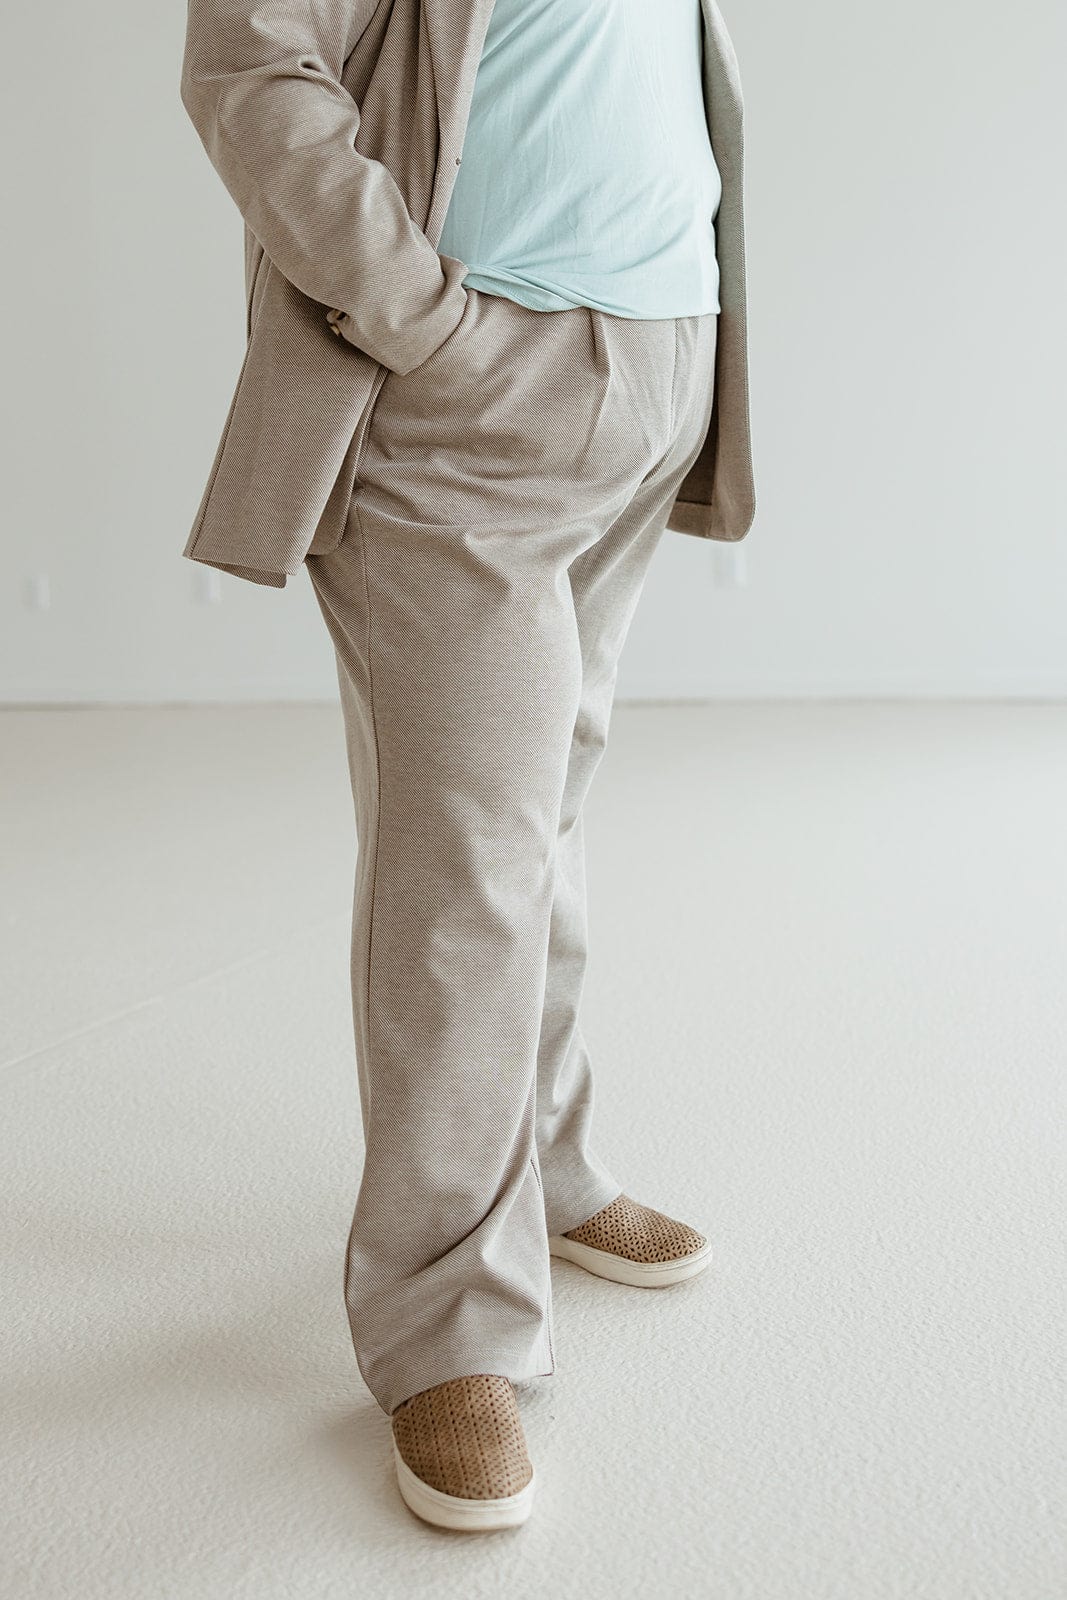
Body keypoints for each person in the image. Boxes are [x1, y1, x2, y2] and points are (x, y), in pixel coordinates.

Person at [179, 0, 754, 1532]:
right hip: (462, 402)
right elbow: (247, 60)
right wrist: (429, 322)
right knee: (468, 866)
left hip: (650, 375)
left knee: (542, 821)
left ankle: (545, 1172)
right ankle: (444, 1323)